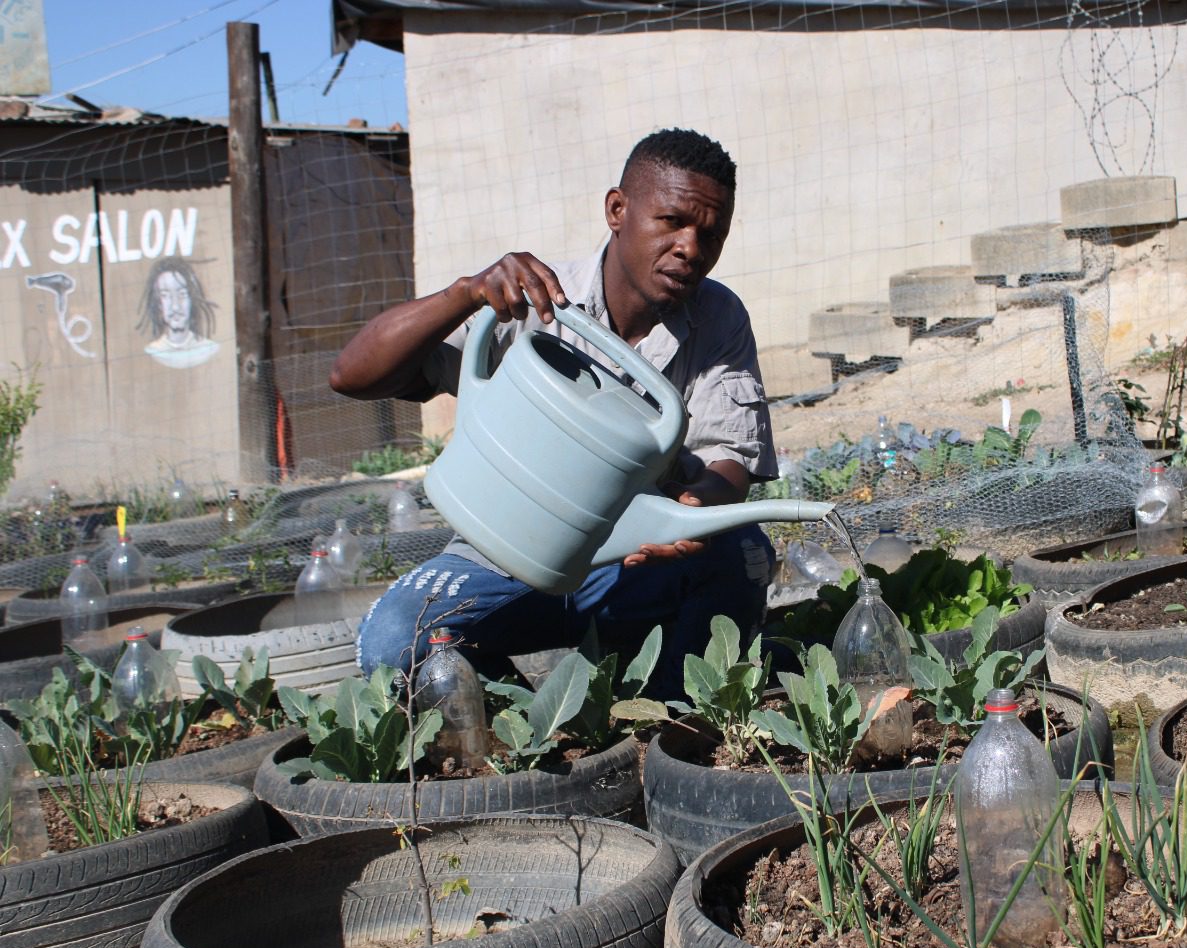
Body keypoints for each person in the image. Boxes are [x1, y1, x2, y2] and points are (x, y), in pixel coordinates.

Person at [330, 128, 776, 696]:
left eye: (711, 233)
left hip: (629, 562)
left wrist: (689, 515)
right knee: (393, 641)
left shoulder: (718, 318)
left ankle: (672, 719)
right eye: (672, 221)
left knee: (743, 550)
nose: (691, 247)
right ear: (618, 210)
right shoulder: (531, 299)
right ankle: (525, 728)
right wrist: (466, 293)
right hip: (501, 560)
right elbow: (352, 376)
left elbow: (728, 456)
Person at [138, 257, 220, 368]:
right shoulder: (152, 351)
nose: (175, 306)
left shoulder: (209, 349)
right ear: (158, 303)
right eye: (165, 296)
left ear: (192, 299)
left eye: (182, 294)